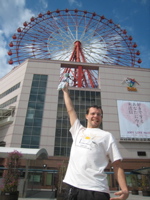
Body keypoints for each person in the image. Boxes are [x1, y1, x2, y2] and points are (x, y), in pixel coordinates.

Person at [62, 83, 129, 200]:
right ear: (86, 116)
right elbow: (70, 110)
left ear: (101, 118)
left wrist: (124, 189)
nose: (96, 116)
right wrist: (65, 91)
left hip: (96, 190)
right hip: (72, 188)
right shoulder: (78, 130)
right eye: (92, 113)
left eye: (99, 114)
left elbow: (117, 164)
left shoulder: (107, 136)